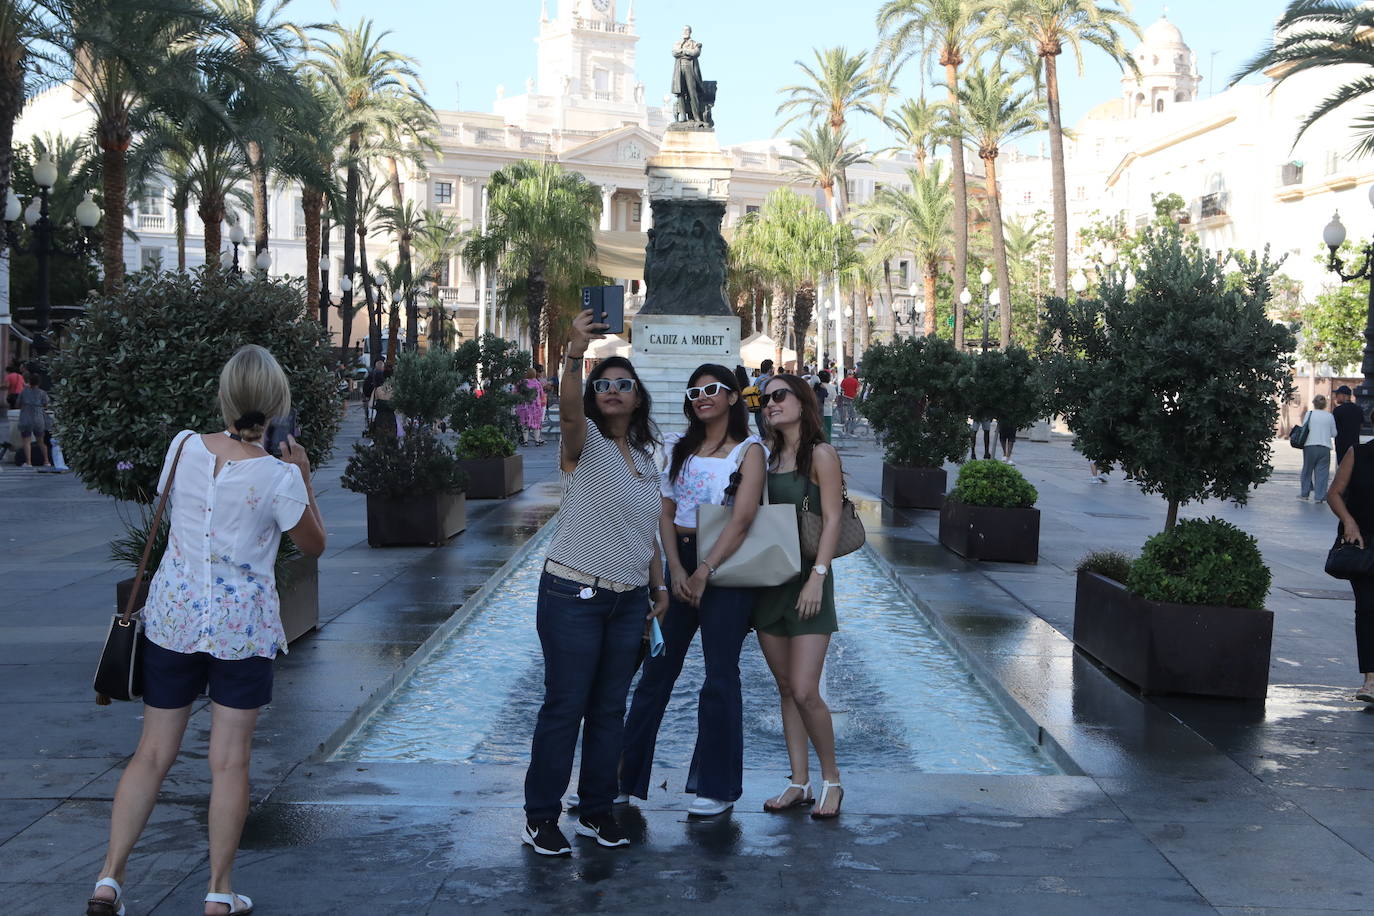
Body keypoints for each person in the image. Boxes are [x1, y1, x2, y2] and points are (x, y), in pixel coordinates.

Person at [87, 345, 326, 916]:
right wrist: (304, 477)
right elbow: (313, 545)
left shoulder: (184, 447)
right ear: (276, 405)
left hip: (174, 619)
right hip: (240, 632)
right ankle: (219, 890)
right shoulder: (278, 476)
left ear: (225, 397)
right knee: (229, 761)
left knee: (151, 754)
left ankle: (108, 881)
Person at [522, 310, 668, 857]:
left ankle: (597, 809)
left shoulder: (647, 457)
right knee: (565, 706)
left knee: (610, 710)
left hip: (628, 601)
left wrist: (659, 588)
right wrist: (571, 357)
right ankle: (541, 817)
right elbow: (565, 412)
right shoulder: (581, 446)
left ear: (637, 397)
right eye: (603, 385)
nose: (612, 391)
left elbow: (647, 530)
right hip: (573, 595)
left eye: (622, 385)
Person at [620, 363, 766, 818]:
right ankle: (622, 779)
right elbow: (663, 512)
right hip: (680, 560)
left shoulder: (749, 450)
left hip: (725, 565)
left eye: (712, 389)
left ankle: (717, 787)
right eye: (694, 391)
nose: (701, 397)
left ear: (731, 397)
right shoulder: (677, 448)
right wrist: (673, 572)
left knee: (720, 679)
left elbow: (742, 519)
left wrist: (704, 570)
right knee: (655, 676)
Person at [753, 374, 845, 819]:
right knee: (786, 687)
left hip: (809, 583)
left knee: (807, 689)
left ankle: (832, 781)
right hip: (770, 584)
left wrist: (819, 577)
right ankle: (798, 781)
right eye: (765, 398)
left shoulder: (821, 455)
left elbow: (831, 521)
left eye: (779, 396)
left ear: (802, 401)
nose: (770, 404)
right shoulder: (767, 458)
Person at [1325, 419, 1374, 703]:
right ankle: (1370, 680)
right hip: (1364, 543)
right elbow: (1333, 493)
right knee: (1368, 608)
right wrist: (1348, 521)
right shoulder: (1358, 453)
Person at [1300, 394, 1338, 502]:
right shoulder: (1329, 416)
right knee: (1322, 472)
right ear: (1325, 404)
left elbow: (1304, 428)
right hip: (1325, 447)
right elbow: (1334, 433)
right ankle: (1320, 496)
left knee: (1307, 470)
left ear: (1314, 403)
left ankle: (1305, 493)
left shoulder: (1309, 414)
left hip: (1310, 446)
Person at [16, 370, 49, 468]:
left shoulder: (24, 392)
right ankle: (46, 461)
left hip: (26, 418)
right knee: (41, 441)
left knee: (26, 441)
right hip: (39, 419)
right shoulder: (42, 393)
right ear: (39, 382)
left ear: (29, 381)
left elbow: (17, 404)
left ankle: (29, 463)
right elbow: (46, 404)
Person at [516, 367, 547, 446]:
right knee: (536, 424)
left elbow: (515, 393)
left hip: (523, 406)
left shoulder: (521, 383)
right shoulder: (537, 383)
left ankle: (525, 441)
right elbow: (541, 395)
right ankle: (537, 440)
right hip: (535, 407)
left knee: (524, 424)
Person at [1334, 385, 1363, 464]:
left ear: (1344, 396)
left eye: (1337, 395)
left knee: (1342, 469)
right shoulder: (1358, 409)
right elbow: (1361, 426)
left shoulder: (1337, 410)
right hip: (1355, 445)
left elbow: (1334, 428)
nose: (1336, 397)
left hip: (1341, 446)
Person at [753, 359, 774, 435]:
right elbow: (762, 392)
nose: (773, 369)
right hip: (763, 406)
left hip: (757, 405)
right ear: (769, 369)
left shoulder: (758, 379)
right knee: (766, 432)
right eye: (772, 367)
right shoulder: (767, 379)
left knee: (762, 430)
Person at [813, 370, 835, 442]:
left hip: (817, 411)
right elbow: (833, 397)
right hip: (828, 411)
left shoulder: (816, 386)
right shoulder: (832, 387)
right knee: (827, 431)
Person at [838, 369, 860, 436]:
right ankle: (852, 430)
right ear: (853, 374)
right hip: (853, 399)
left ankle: (845, 428)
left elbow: (842, 389)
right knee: (852, 415)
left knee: (845, 414)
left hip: (845, 398)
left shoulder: (844, 380)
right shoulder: (856, 381)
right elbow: (858, 390)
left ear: (847, 374)